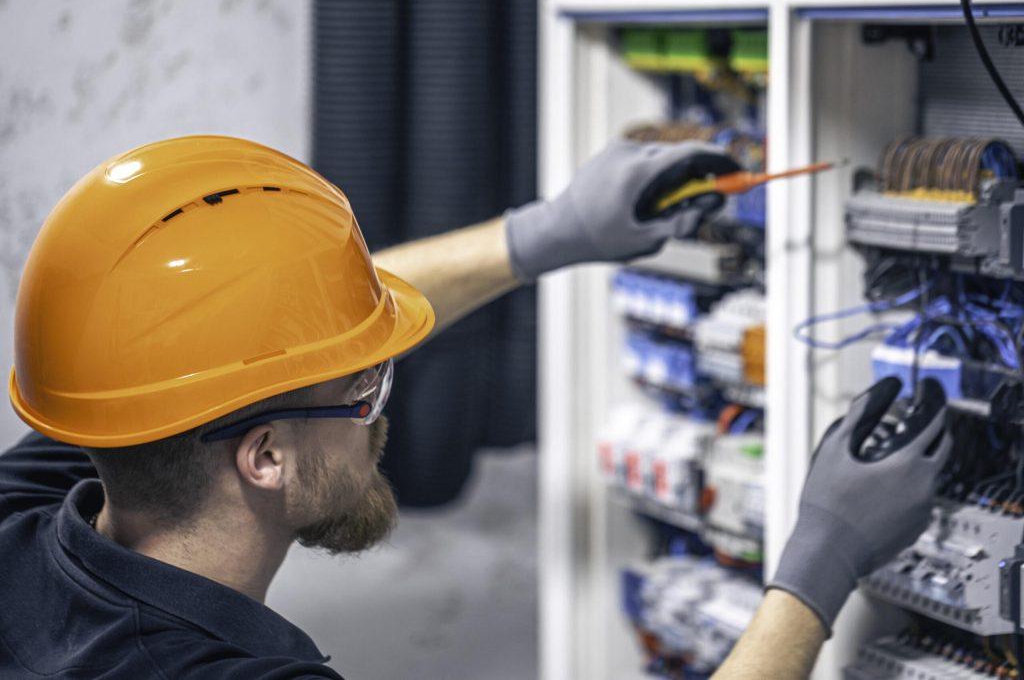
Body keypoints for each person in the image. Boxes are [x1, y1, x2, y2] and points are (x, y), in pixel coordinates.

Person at [0, 136, 950, 679]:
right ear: (265, 458)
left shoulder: (42, 513)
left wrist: (545, 235)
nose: (381, 414)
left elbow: (263, 339)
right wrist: (820, 564)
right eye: (364, 390)